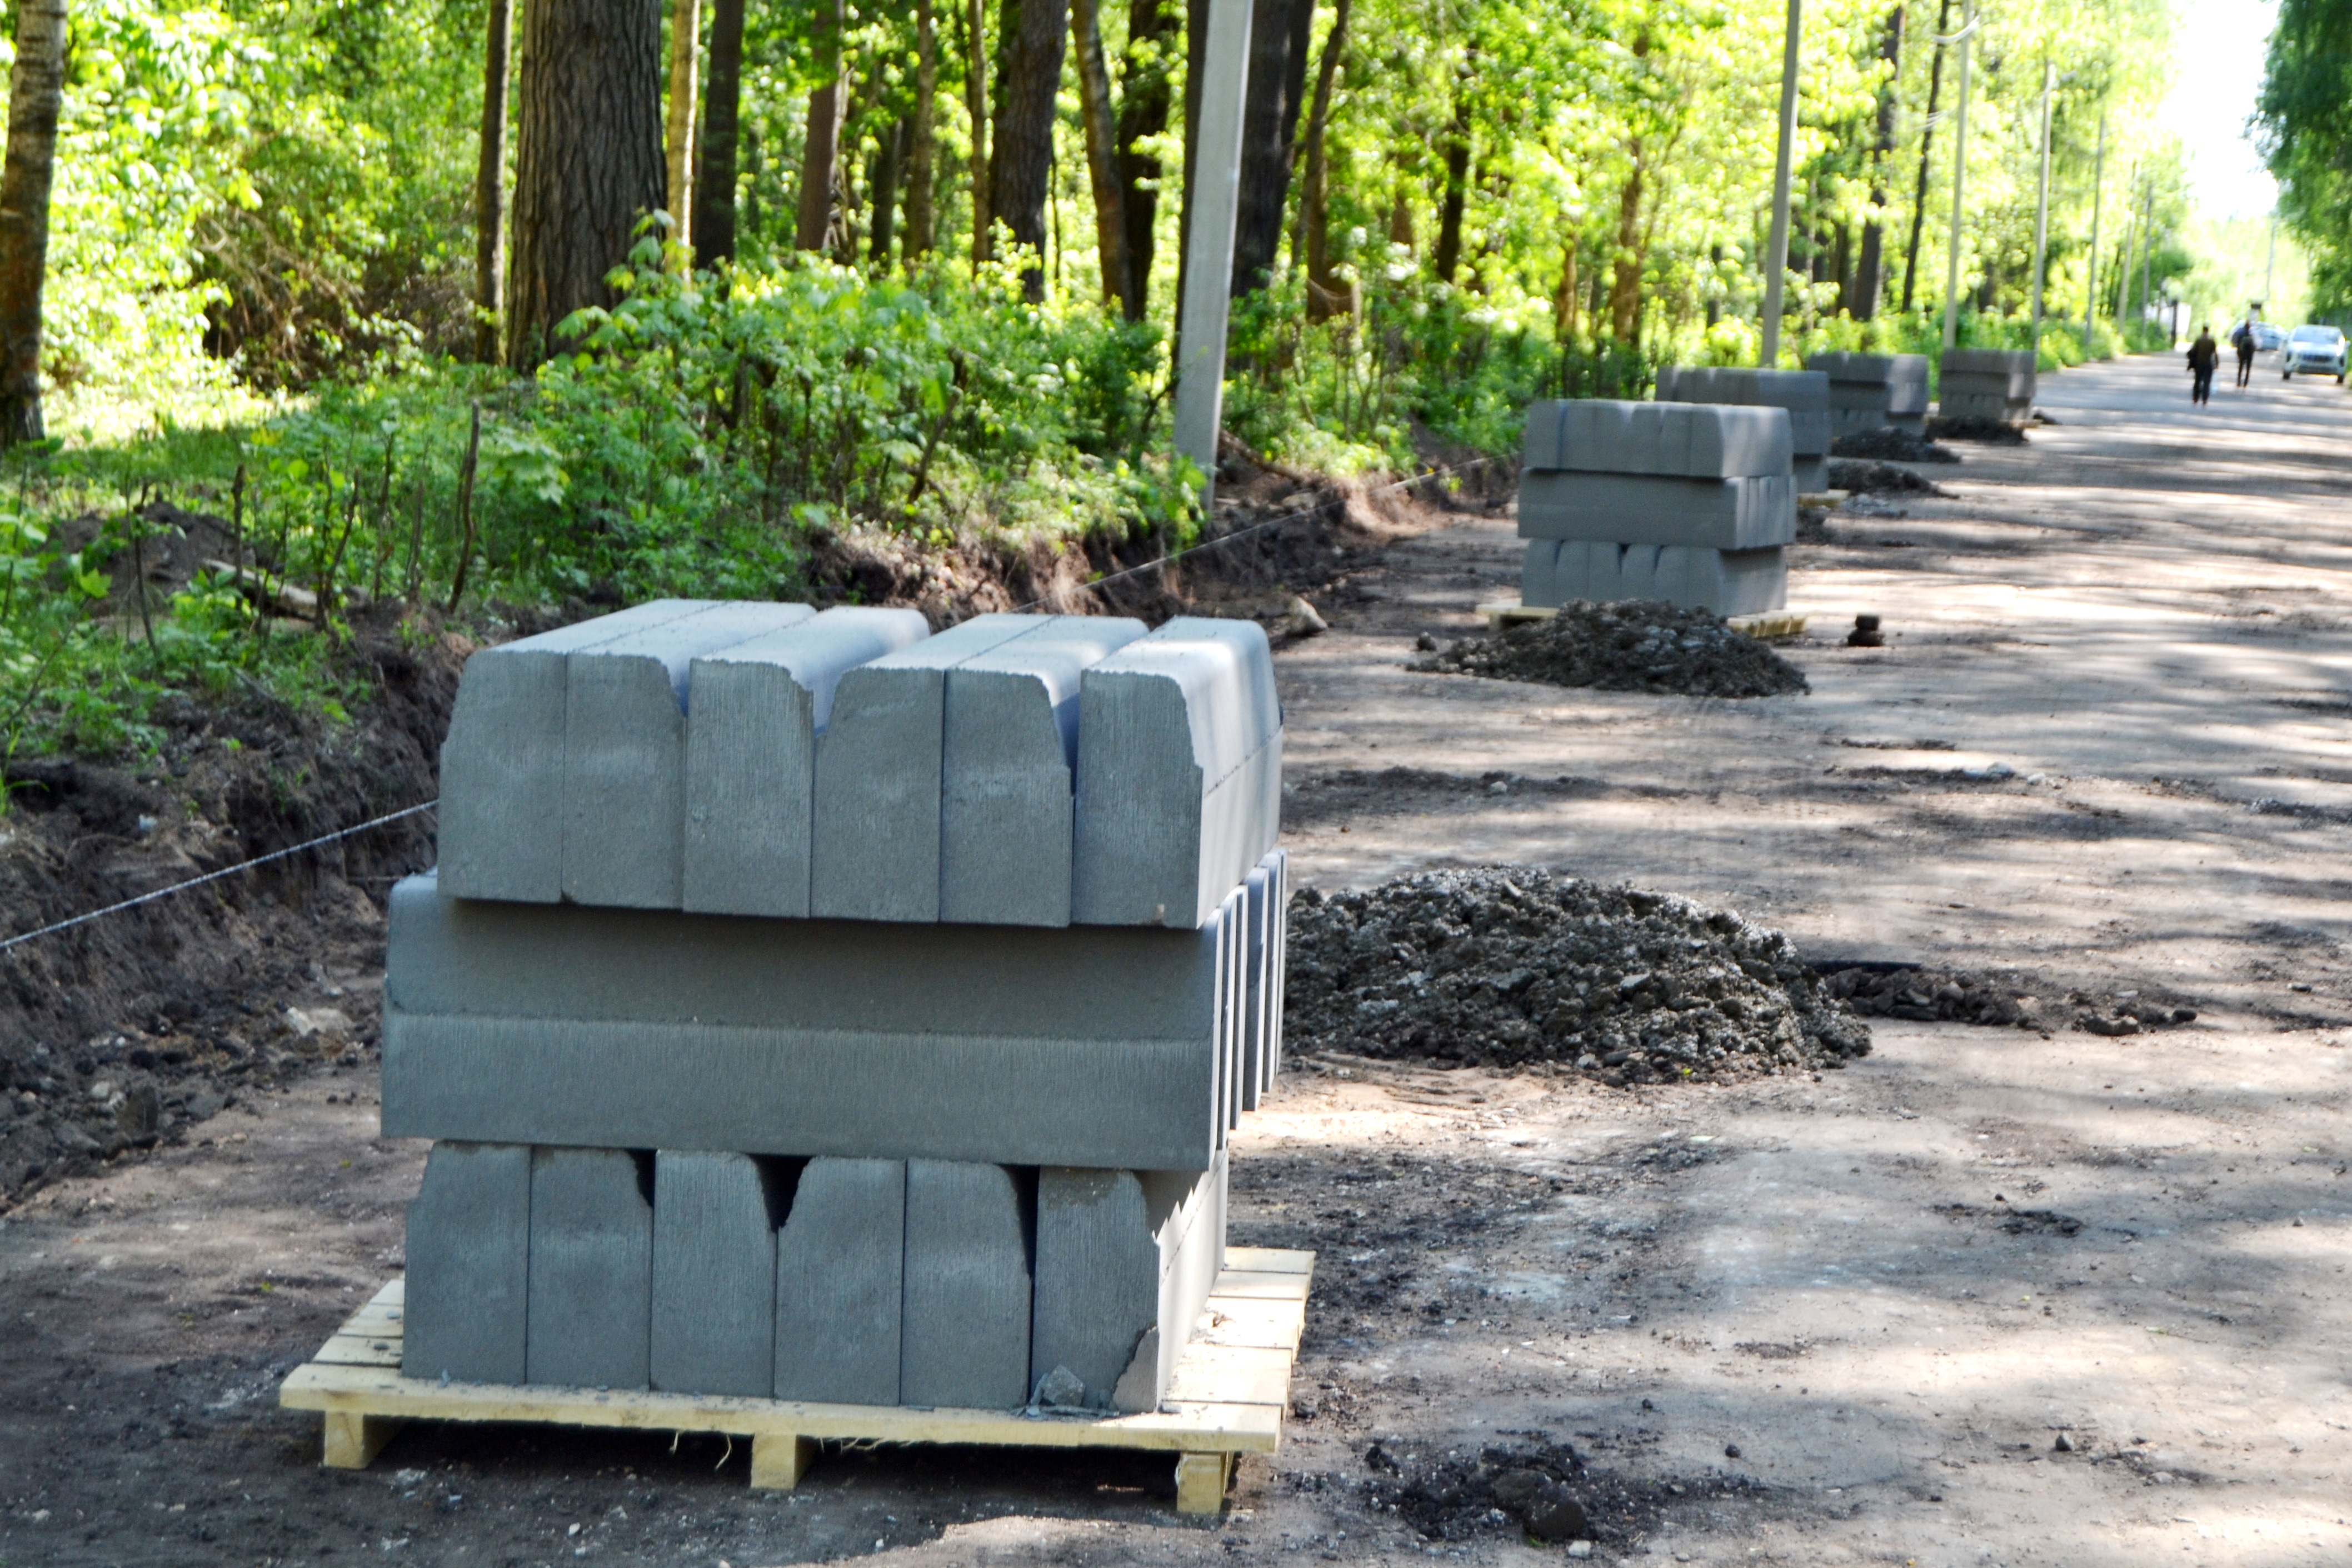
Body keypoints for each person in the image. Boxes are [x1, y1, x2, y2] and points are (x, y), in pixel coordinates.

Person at [2188, 325, 2219, 405]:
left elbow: (2194, 351)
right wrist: (2217, 363)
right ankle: (2205, 399)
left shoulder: (2199, 340)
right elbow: (2215, 353)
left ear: (2203, 330)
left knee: (2198, 381)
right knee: (2207, 382)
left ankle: (2196, 398)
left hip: (2199, 364)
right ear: (2208, 331)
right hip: (2208, 364)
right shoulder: (2211, 340)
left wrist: (2191, 363)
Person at [2234, 318, 2258, 388]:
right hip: (2249, 354)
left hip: (2242, 354)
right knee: (2248, 368)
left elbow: (2238, 344)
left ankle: (2239, 382)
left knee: (2241, 367)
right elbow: (2255, 345)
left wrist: (2239, 352)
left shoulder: (2241, 333)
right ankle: (2245, 383)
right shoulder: (2252, 334)